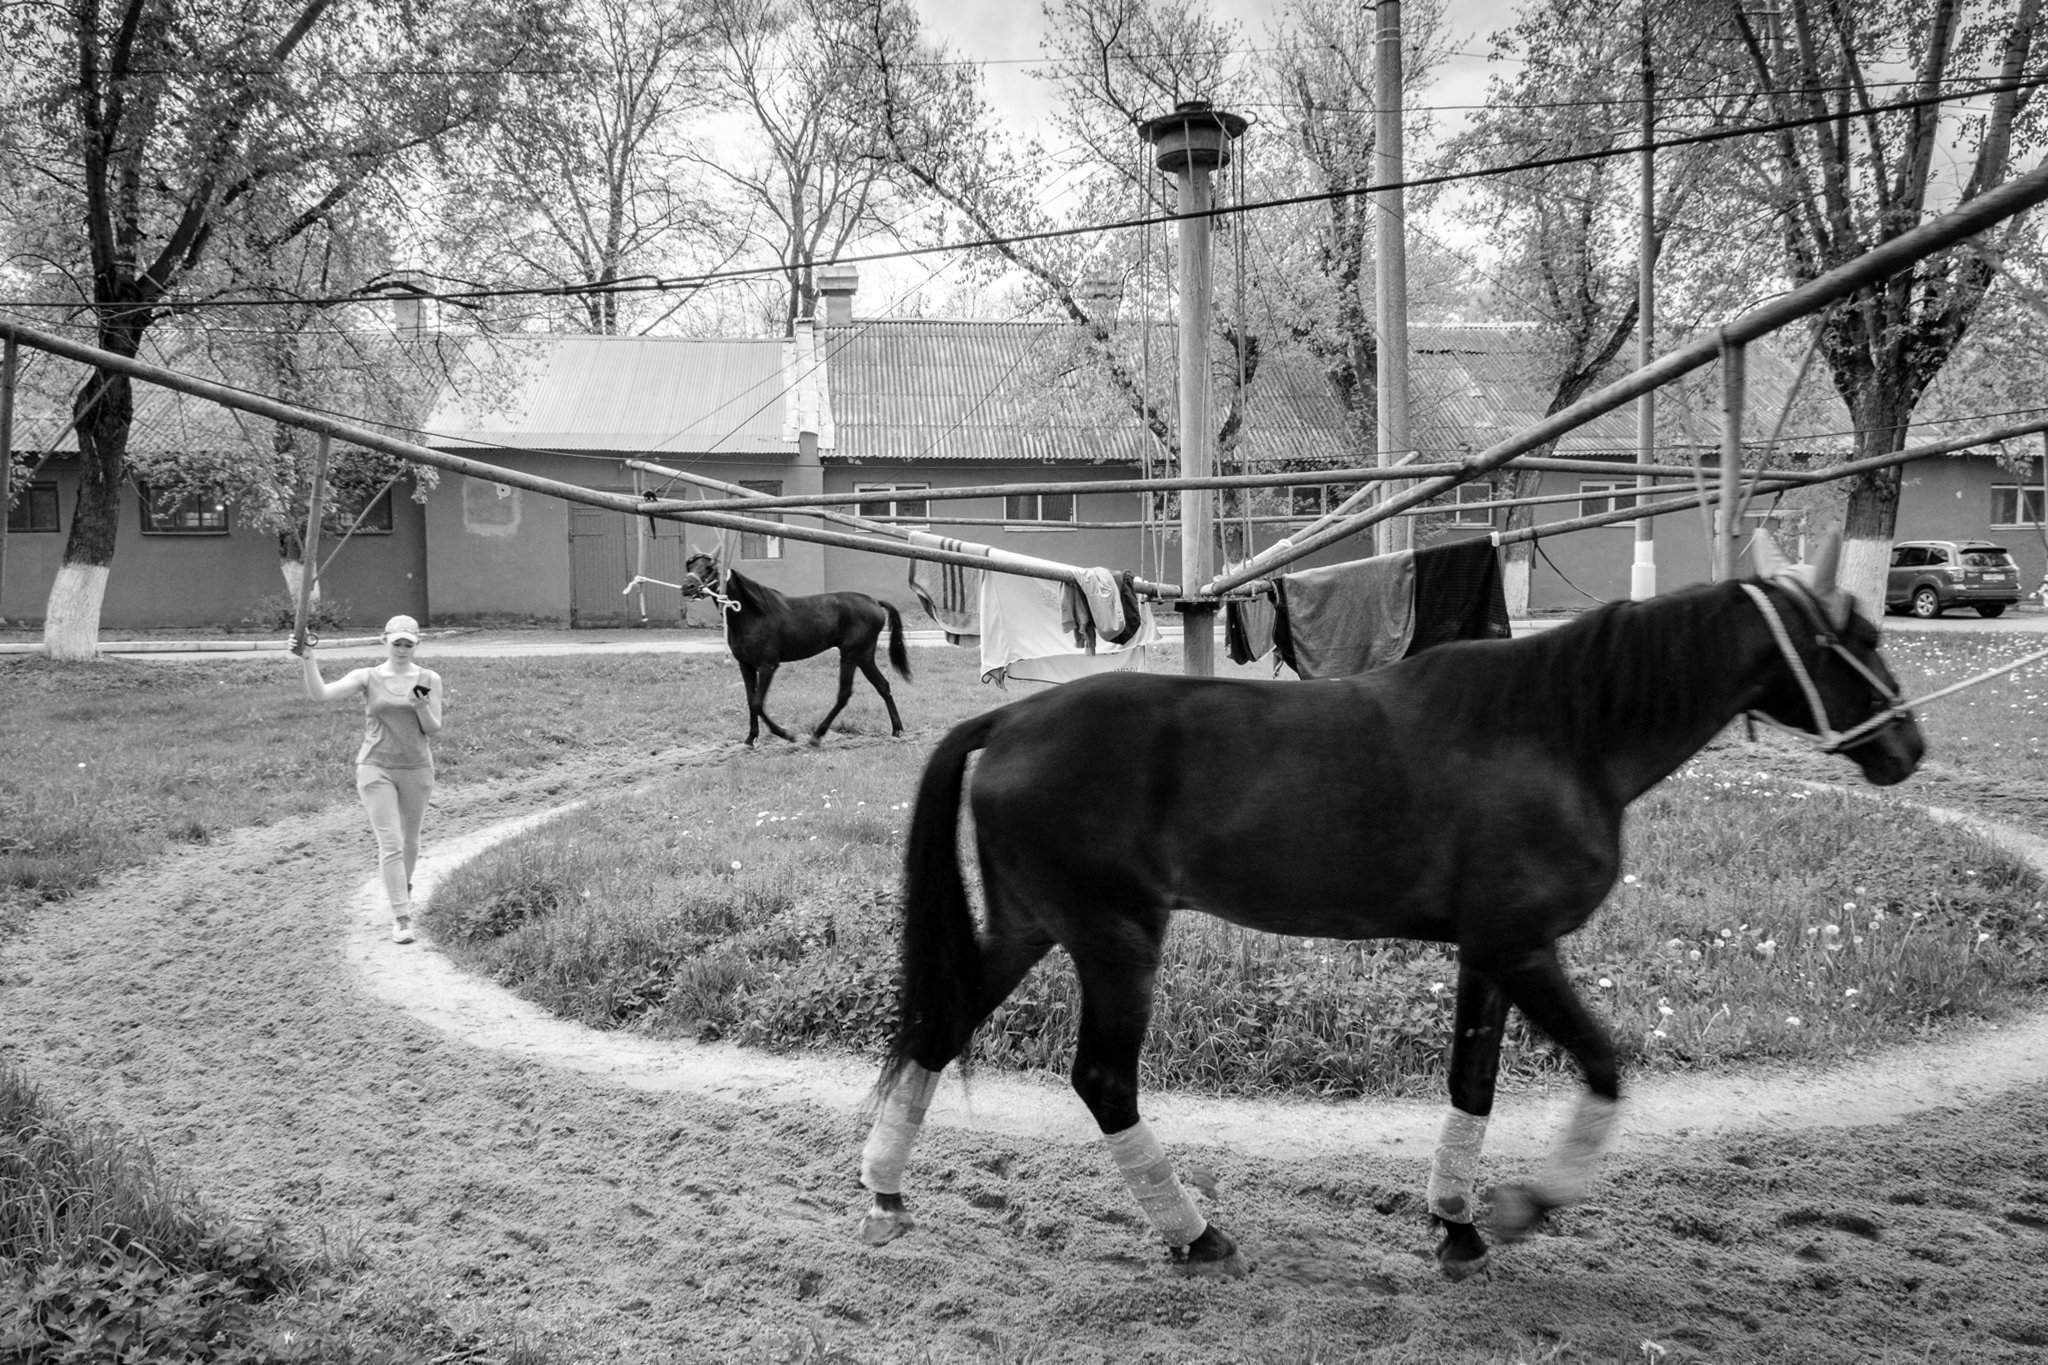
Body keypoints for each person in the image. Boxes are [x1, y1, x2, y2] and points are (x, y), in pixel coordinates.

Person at [291, 614, 444, 943]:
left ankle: (402, 887)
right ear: (384, 641)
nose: (402, 649)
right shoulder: (368, 676)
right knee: (390, 843)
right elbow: (322, 694)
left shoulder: (429, 678)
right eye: (396, 643)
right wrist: (309, 658)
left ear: (417, 645)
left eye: (408, 644)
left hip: (416, 767)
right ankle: (402, 917)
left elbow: (433, 728)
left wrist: (419, 707)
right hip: (375, 766)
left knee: (410, 840)